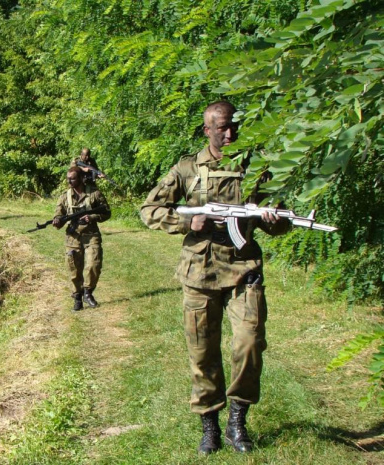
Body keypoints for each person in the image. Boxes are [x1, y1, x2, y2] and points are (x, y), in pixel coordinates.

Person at [140, 101, 291, 454]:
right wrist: (184, 222)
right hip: (200, 274)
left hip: (244, 272)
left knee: (249, 344)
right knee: (202, 353)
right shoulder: (186, 170)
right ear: (207, 130)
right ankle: (209, 424)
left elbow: (280, 222)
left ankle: (237, 421)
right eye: (222, 127)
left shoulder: (255, 169)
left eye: (234, 126)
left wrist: (274, 220)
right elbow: (149, 210)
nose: (230, 133)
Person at [53, 166, 111, 311]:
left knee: (94, 265)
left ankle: (88, 292)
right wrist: (57, 221)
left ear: (80, 178)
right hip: (73, 237)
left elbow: (106, 212)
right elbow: (58, 214)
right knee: (73, 269)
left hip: (91, 235)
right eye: (68, 178)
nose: (69, 181)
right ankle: (77, 297)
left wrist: (91, 217)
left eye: (72, 178)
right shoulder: (64, 196)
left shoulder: (94, 194)